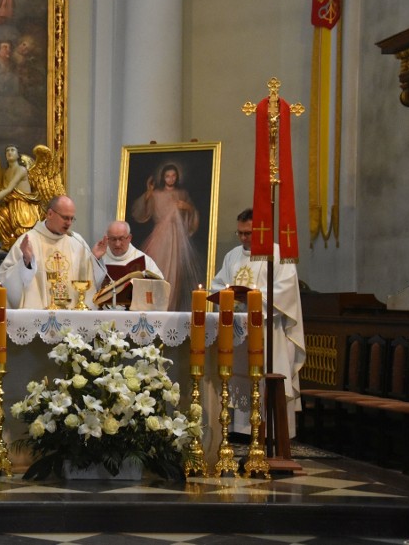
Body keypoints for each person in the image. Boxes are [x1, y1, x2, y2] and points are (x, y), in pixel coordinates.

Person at [210, 208, 306, 439]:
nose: (244, 238)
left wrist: (253, 297)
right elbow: (217, 285)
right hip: (240, 331)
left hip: (268, 331)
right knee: (239, 377)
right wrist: (229, 295)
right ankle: (242, 431)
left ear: (262, 231)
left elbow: (285, 292)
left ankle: (273, 433)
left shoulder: (278, 256)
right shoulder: (232, 256)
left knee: (268, 378)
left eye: (249, 233)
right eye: (240, 233)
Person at [0, 195, 101, 309]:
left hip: (71, 315)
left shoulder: (77, 241)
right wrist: (26, 262)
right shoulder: (29, 240)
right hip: (39, 316)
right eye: (65, 218)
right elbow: (6, 277)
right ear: (50, 214)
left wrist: (93, 259)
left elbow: (87, 278)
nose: (69, 223)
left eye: (72, 218)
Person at [130, 162, 203, 311]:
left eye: (173, 175)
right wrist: (149, 193)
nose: (170, 178)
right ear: (163, 177)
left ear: (177, 177)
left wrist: (188, 208)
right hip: (160, 237)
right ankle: (155, 308)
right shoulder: (156, 194)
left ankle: (170, 308)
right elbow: (141, 212)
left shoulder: (182, 194)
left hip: (177, 239)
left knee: (174, 275)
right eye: (167, 176)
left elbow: (192, 215)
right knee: (157, 271)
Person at [0, 144, 41, 251]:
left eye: (12, 150)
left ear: (18, 155)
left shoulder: (21, 170)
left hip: (22, 205)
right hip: (10, 204)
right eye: (7, 150)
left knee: (21, 230)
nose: (9, 152)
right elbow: (2, 192)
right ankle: (7, 243)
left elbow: (8, 189)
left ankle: (23, 248)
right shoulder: (6, 172)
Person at [92, 220, 164, 278]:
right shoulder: (100, 257)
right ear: (107, 239)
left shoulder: (144, 260)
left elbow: (159, 285)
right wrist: (94, 258)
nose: (117, 244)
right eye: (113, 239)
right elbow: (86, 282)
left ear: (129, 238)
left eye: (121, 239)